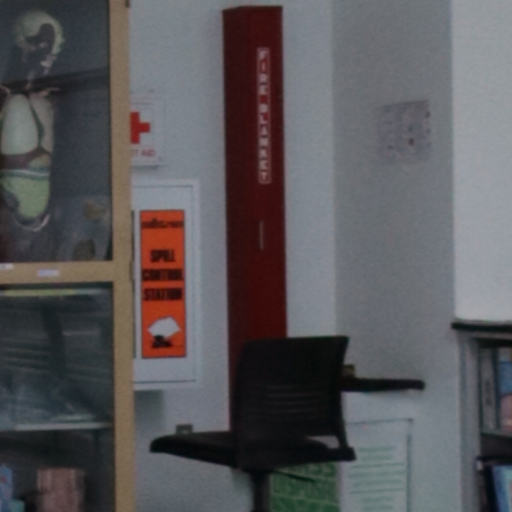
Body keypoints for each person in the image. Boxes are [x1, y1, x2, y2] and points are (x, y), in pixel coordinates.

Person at [0, 9, 64, 262]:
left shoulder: (45, 103)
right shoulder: (11, 102)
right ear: (22, 45)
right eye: (40, 44)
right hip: (13, 216)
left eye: (52, 48)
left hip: (39, 218)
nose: (47, 56)